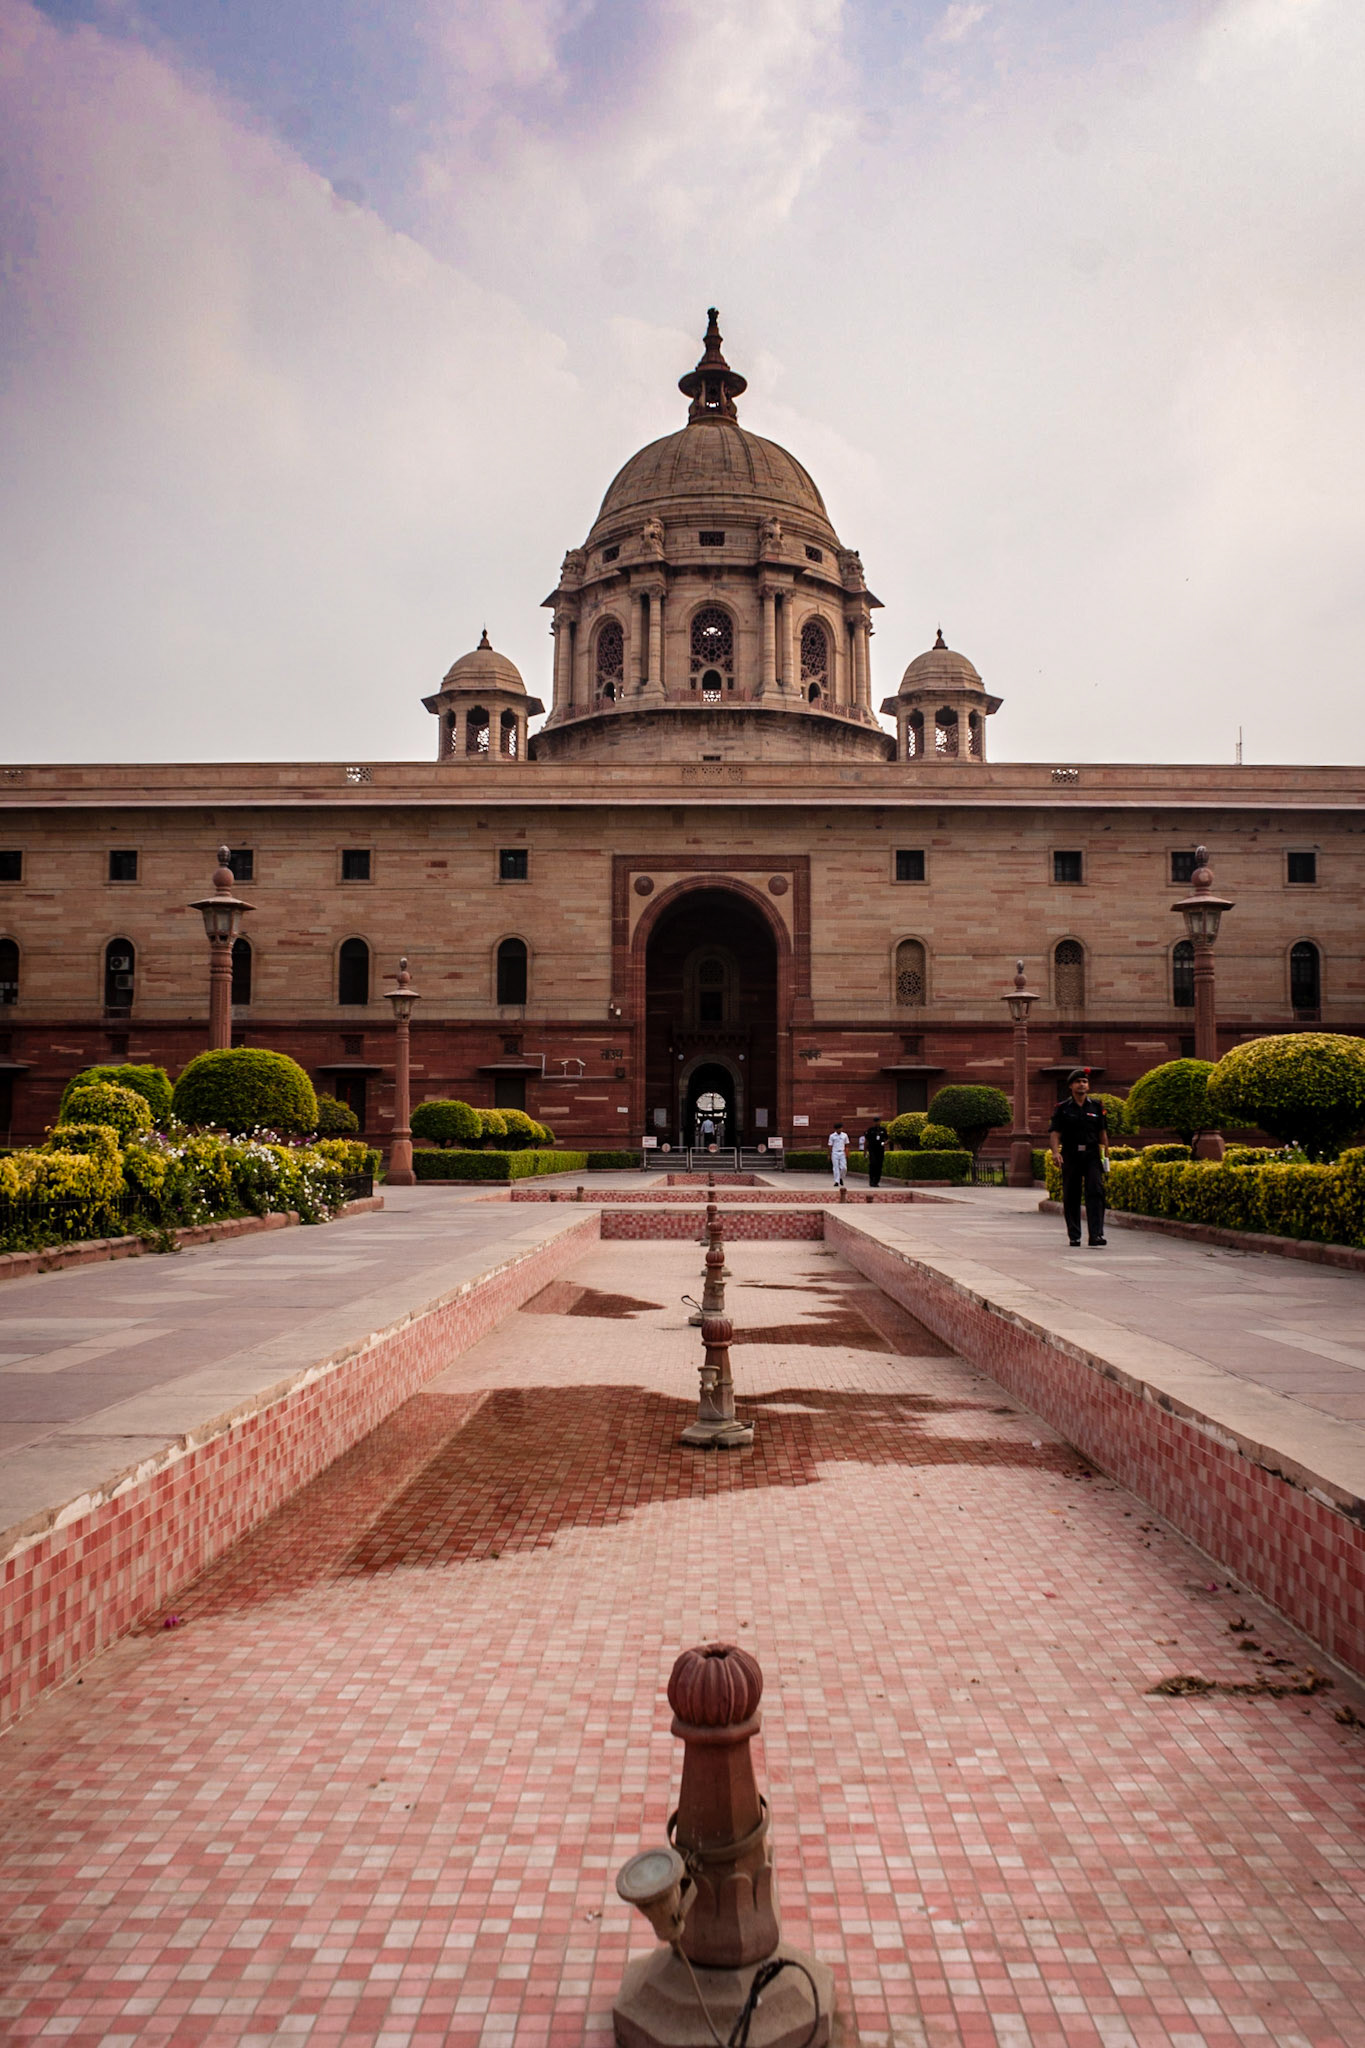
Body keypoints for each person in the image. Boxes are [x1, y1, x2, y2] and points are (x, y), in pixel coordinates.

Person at [1048, 1068, 1109, 1247]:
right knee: (1071, 1195)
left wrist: (1106, 1157)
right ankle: (1074, 1235)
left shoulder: (1097, 1107)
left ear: (1088, 1086)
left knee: (1096, 1191)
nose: (1081, 1084)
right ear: (1071, 1086)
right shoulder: (1062, 1108)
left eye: (1084, 1081)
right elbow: (1055, 1132)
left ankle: (1096, 1235)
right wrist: (1055, 1152)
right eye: (1078, 1082)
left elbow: (1102, 1133)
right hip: (1071, 1154)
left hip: (1091, 1155)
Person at [862, 1117, 888, 1189]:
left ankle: (876, 1181)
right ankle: (871, 1180)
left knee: (879, 1165)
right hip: (872, 1149)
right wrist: (865, 1151)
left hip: (880, 1150)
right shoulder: (871, 1130)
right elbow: (866, 1141)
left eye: (878, 1121)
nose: (877, 1123)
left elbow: (888, 1139)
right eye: (875, 1122)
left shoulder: (883, 1130)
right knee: (873, 1164)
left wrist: (884, 1143)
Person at [827, 1121, 850, 1188]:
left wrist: (847, 1153)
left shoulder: (845, 1135)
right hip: (835, 1152)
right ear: (836, 1129)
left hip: (842, 1152)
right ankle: (836, 1181)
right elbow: (830, 1146)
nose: (840, 1129)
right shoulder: (832, 1136)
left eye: (841, 1128)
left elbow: (847, 1145)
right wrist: (829, 1154)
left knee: (844, 1167)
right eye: (839, 1128)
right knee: (835, 1167)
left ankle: (840, 1177)